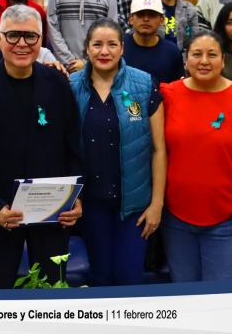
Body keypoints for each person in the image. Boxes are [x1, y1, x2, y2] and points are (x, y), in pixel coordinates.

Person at [0, 4, 84, 289]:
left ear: (42, 40)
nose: (22, 44)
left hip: (52, 213)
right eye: (12, 36)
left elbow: (73, 144)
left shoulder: (58, 84)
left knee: (51, 294)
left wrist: (75, 197)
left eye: (30, 37)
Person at [159, 30, 232, 282]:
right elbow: (157, 152)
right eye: (196, 54)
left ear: (223, 60)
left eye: (212, 54)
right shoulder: (167, 96)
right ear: (186, 60)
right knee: (184, 293)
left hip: (229, 220)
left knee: (220, 299)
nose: (204, 61)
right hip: (176, 217)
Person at [69, 18, 166, 286]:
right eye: (97, 44)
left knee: (129, 278)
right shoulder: (70, 87)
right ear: (86, 48)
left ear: (122, 48)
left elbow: (159, 149)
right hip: (90, 204)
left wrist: (156, 204)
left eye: (112, 44)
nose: (104, 51)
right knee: (100, 275)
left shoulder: (144, 84)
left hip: (134, 206)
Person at [122, 0, 185, 84]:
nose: (146, 19)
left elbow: (177, 89)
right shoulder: (119, 48)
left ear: (162, 20)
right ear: (131, 19)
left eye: (152, 15)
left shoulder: (172, 52)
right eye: (140, 14)